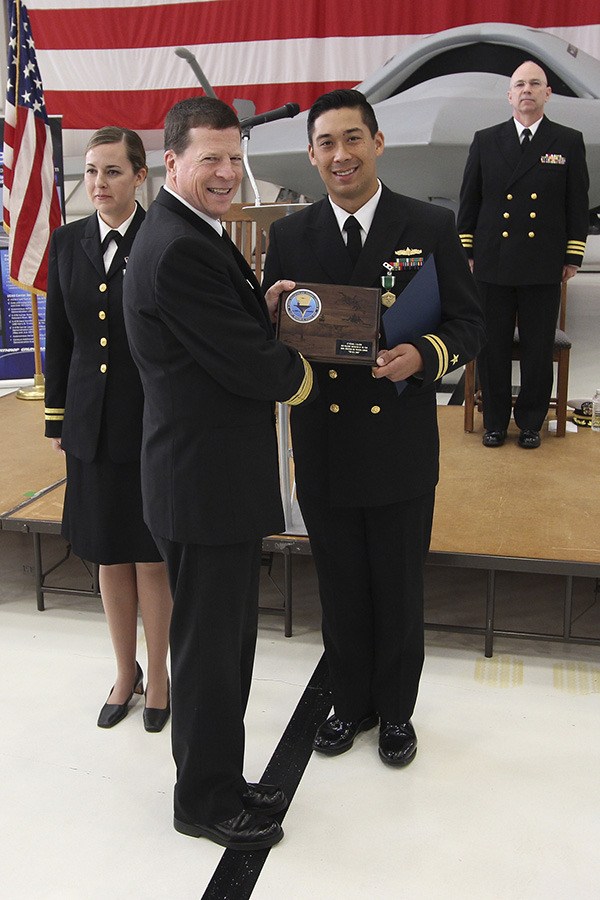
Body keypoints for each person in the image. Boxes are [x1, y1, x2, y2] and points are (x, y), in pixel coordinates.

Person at [263, 89, 484, 768]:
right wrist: (264, 310)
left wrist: (425, 356)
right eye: (326, 143)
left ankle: (395, 714)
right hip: (325, 442)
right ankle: (350, 703)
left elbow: (469, 323)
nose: (340, 155)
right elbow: (275, 342)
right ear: (311, 155)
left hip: (399, 444)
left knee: (396, 584)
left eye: (352, 139)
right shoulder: (291, 235)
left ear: (378, 143)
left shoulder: (429, 225)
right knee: (341, 584)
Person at [122, 97, 317, 851]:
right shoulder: (177, 246)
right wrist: (305, 372)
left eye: (235, 158)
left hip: (210, 482)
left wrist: (260, 306)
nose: (227, 173)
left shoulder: (190, 233)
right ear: (170, 161)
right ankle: (202, 801)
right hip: (202, 486)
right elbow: (250, 365)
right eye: (210, 158)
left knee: (227, 646)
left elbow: (220, 330)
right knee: (206, 655)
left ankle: (224, 778)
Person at [44, 127, 172, 733]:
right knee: (106, 557)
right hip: (91, 426)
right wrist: (57, 415)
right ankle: (126, 672)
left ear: (140, 175)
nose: (99, 183)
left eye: (112, 172)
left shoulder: (161, 237)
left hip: (149, 422)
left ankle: (161, 675)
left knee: (149, 556)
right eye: (91, 172)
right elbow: (62, 337)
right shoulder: (67, 242)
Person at [457, 60, 589, 449]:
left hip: (542, 263)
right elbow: (471, 200)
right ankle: (495, 421)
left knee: (537, 347)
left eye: (535, 84)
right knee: (491, 347)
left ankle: (531, 421)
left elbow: (575, 204)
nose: (527, 90)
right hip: (492, 261)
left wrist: (573, 256)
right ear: (509, 95)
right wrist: (467, 249)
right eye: (520, 84)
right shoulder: (486, 139)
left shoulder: (566, 141)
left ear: (548, 93)